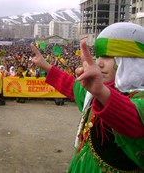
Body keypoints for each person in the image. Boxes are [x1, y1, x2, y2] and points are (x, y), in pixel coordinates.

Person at [30, 22, 144, 172]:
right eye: (99, 56)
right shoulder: (95, 92)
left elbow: (132, 119)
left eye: (108, 57)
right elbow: (72, 86)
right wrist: (45, 66)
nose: (99, 63)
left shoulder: (139, 99)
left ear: (132, 62)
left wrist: (102, 93)